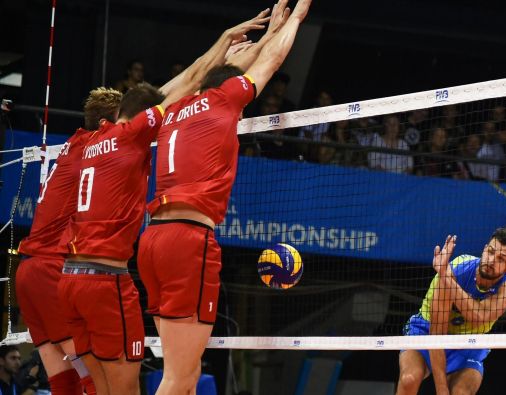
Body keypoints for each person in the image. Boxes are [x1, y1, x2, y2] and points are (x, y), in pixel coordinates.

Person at [57, 13, 271, 395]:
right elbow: (188, 84)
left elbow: (175, 90)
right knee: (131, 389)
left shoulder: (83, 143)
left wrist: (222, 53)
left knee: (95, 387)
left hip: (69, 277)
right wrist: (224, 46)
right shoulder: (131, 136)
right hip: (107, 278)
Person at [137, 0, 312, 393]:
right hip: (187, 242)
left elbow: (213, 68)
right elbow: (271, 60)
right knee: (179, 376)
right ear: (226, 82)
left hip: (153, 242)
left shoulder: (177, 107)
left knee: (186, 373)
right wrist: (297, 17)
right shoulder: (223, 98)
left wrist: (263, 35)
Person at [17, 87, 122, 395]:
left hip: (29, 271)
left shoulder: (74, 141)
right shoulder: (95, 145)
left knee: (63, 378)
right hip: (50, 266)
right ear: (106, 124)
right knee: (93, 374)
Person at [396, 228, 506, 395]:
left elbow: (481, 317)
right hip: (426, 330)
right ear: (485, 248)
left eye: (501, 258)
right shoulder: (456, 269)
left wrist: (447, 278)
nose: (491, 260)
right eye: (490, 252)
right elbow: (436, 335)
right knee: (409, 379)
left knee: (461, 392)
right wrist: (441, 389)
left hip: (468, 341)